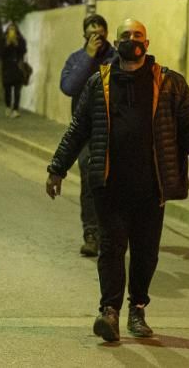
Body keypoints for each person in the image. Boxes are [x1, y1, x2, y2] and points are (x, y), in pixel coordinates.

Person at [45, 18, 189, 342]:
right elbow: (78, 129)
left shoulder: (169, 83)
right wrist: (57, 168)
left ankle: (137, 309)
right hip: (110, 185)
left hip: (152, 187)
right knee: (111, 249)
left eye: (137, 35)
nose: (131, 40)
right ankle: (109, 312)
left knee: (146, 252)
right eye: (125, 35)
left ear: (147, 44)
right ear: (117, 42)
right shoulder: (99, 83)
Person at [59, 14, 118, 258]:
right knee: (89, 180)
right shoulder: (76, 59)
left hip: (114, 130)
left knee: (114, 183)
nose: (97, 38)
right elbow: (69, 87)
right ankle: (91, 234)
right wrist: (89, 56)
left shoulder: (116, 58)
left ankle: (112, 234)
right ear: (84, 35)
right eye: (92, 33)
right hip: (86, 132)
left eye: (100, 33)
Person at [0, 24, 28, 118]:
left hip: (17, 67)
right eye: (10, 29)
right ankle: (8, 107)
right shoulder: (3, 40)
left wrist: (16, 44)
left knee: (17, 91)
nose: (12, 31)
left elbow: (23, 51)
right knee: (7, 90)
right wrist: (7, 44)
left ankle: (15, 109)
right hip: (7, 68)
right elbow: (0, 54)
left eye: (13, 29)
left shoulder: (21, 40)